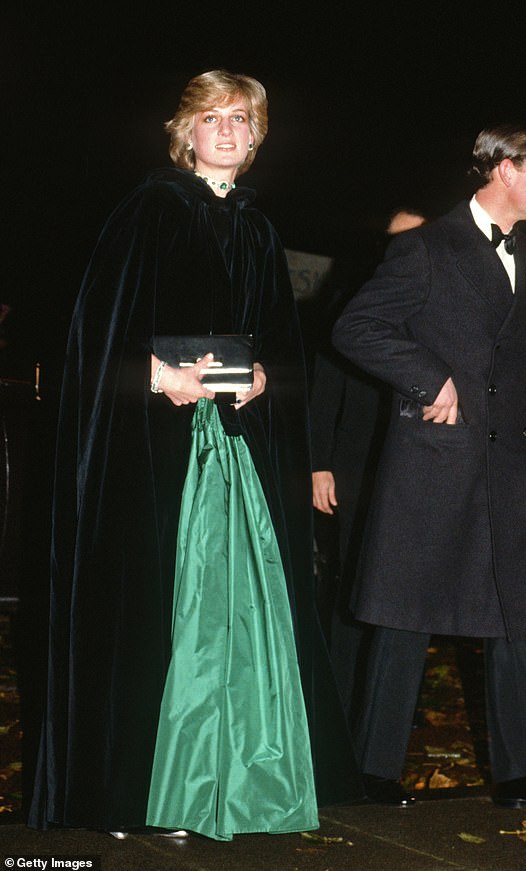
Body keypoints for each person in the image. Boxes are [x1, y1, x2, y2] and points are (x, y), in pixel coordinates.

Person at [28, 69, 361, 841]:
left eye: (241, 119)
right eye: (210, 117)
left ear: (255, 139)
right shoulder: (148, 211)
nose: (226, 129)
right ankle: (142, 796)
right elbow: (89, 337)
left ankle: (238, 786)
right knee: (164, 616)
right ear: (186, 133)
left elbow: (283, 346)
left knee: (239, 614)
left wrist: (270, 379)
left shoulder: (257, 228)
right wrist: (156, 375)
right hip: (152, 455)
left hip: (236, 454)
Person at [332, 124, 526, 810]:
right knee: (404, 614)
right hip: (433, 460)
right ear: (503, 169)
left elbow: (510, 355)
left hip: (506, 463)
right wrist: (430, 380)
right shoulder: (425, 247)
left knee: (519, 612)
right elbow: (355, 327)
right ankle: (370, 772)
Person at [310, 207, 426, 720]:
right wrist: (319, 463)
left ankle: (381, 716)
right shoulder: (354, 301)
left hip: (418, 465)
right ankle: (333, 705)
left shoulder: (438, 302)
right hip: (355, 464)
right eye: (392, 242)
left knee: (404, 590)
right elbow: (323, 390)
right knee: (352, 582)